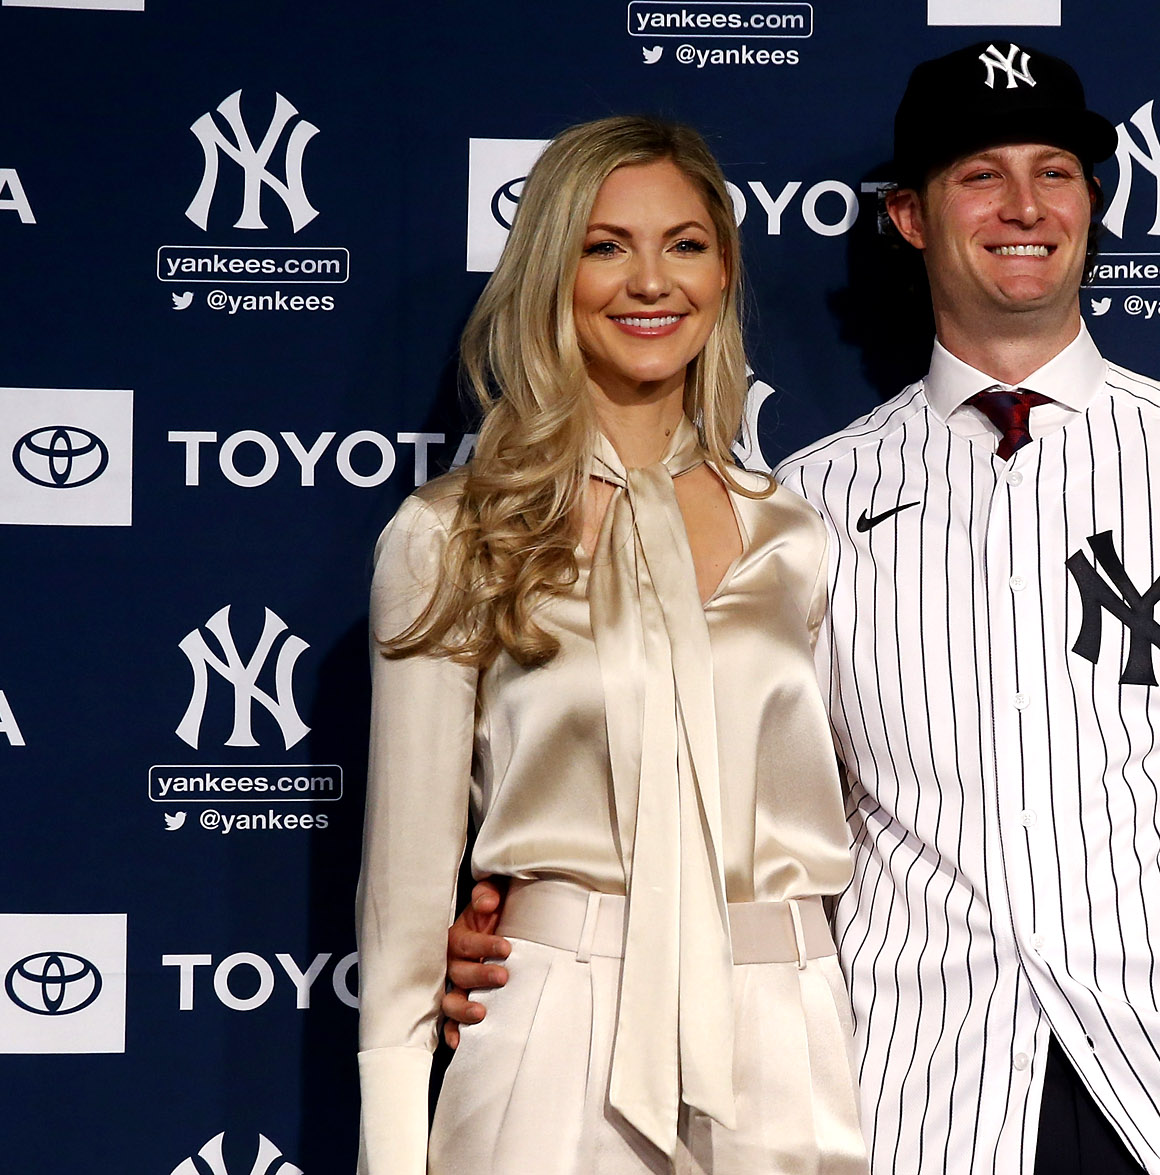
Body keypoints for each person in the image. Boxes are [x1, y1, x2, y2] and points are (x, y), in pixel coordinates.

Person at [446, 43, 1160, 1175]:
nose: (1022, 207)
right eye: (978, 175)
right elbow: (723, 795)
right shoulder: (804, 504)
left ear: (1090, 201)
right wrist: (524, 921)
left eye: (1054, 171)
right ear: (909, 216)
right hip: (925, 1092)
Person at [358, 115, 865, 1175]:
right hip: (553, 1027)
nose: (649, 281)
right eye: (604, 245)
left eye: (683, 243)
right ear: (552, 270)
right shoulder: (452, 532)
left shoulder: (797, 535)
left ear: (724, 271)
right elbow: (407, 900)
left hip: (785, 1034)